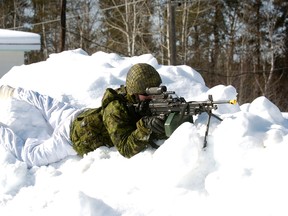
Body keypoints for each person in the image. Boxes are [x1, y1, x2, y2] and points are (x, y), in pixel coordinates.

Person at [0, 63, 166, 167]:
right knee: (31, 156)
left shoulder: (133, 98)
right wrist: (145, 127)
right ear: (134, 91)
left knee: (44, 103)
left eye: (154, 92)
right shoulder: (116, 109)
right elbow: (125, 148)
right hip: (72, 137)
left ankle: (12, 92)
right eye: (147, 94)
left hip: (79, 116)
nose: (152, 98)